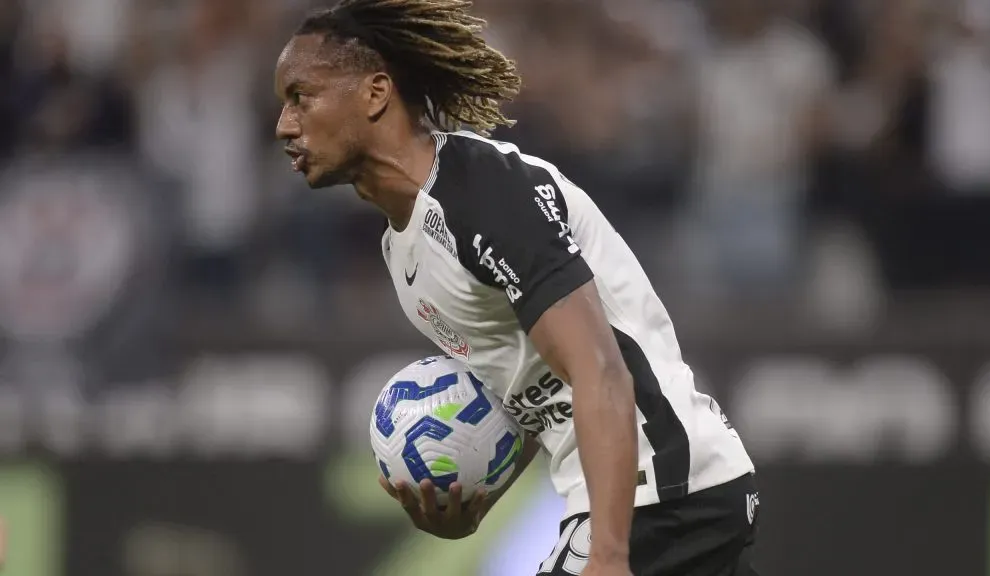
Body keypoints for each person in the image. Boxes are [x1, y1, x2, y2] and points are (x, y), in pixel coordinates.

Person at [274, 2, 759, 575]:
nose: (284, 124)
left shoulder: (481, 195)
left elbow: (599, 368)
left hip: (661, 492)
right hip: (666, 497)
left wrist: (607, 554)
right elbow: (532, 395)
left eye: (301, 97)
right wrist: (475, 506)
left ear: (376, 94)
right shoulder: (402, 249)